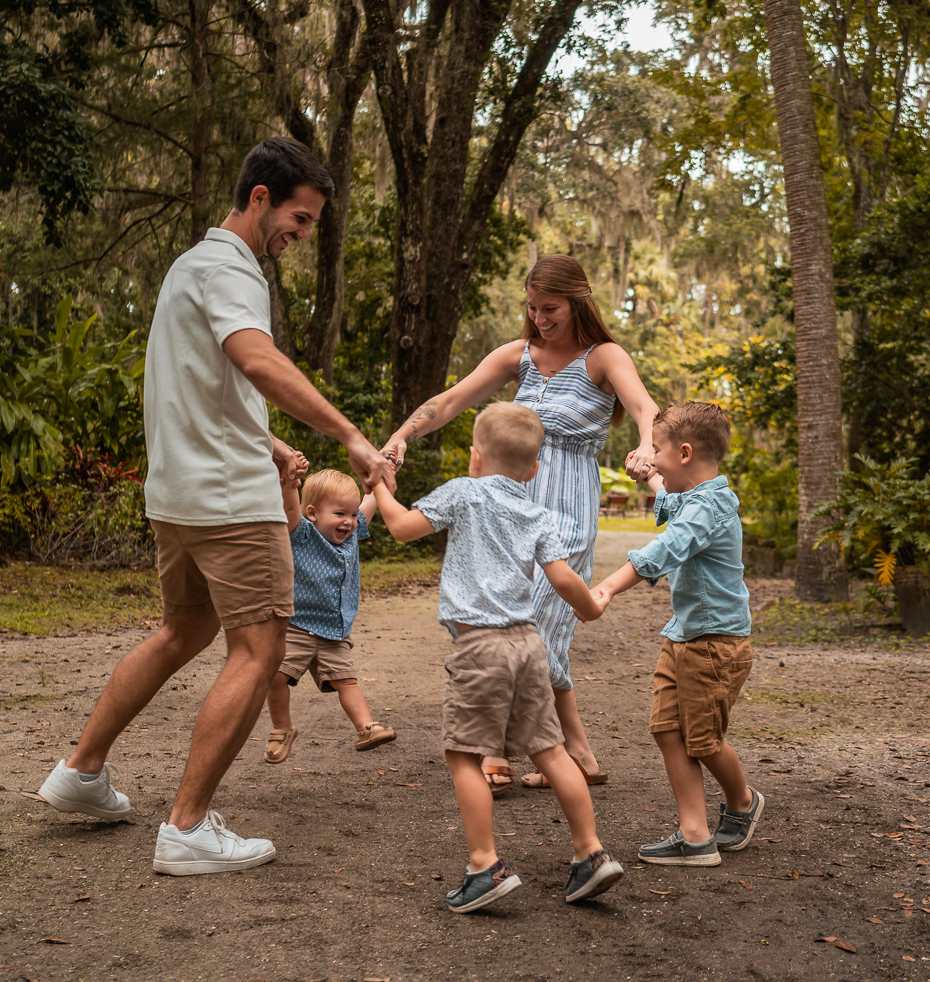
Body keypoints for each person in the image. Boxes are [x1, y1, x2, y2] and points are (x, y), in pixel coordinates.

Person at [37, 136, 396, 876]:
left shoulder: (188, 266)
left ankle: (80, 773)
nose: (300, 236)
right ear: (259, 197)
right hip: (230, 501)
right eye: (299, 219)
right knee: (260, 651)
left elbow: (207, 386)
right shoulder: (233, 269)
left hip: (177, 492)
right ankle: (188, 828)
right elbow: (255, 360)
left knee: (182, 630)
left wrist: (264, 441)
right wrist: (350, 437)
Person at [383, 254, 660, 795]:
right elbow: (450, 400)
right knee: (522, 628)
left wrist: (647, 446)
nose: (539, 319)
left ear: (577, 301)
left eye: (550, 308)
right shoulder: (520, 356)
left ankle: (496, 748)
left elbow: (645, 407)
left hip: (567, 511)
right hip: (507, 511)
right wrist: (401, 435)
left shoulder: (603, 357)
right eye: (532, 308)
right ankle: (574, 748)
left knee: (528, 625)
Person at [371, 402, 625, 912]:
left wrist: (380, 484)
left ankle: (484, 866)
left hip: (478, 647)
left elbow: (400, 528)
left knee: (464, 755)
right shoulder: (539, 512)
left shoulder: (464, 492)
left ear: (474, 458)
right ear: (534, 470)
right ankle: (591, 855)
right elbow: (561, 579)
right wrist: (591, 608)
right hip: (530, 644)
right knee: (552, 752)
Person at [587, 401, 763, 866]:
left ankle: (742, 802)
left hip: (715, 644)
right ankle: (695, 835)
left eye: (657, 450)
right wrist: (649, 477)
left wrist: (606, 587)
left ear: (684, 453)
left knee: (703, 741)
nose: (652, 457)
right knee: (667, 730)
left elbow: (669, 544)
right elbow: (672, 499)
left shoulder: (712, 506)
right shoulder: (696, 496)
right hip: (685, 636)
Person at [263, 467, 396, 763]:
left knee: (346, 681)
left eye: (352, 514)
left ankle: (366, 728)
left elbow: (371, 497)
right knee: (276, 677)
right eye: (340, 514)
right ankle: (281, 729)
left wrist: (382, 468)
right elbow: (289, 506)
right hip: (297, 626)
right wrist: (289, 482)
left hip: (335, 631)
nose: (349, 521)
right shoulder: (301, 534)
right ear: (312, 513)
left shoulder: (351, 536)